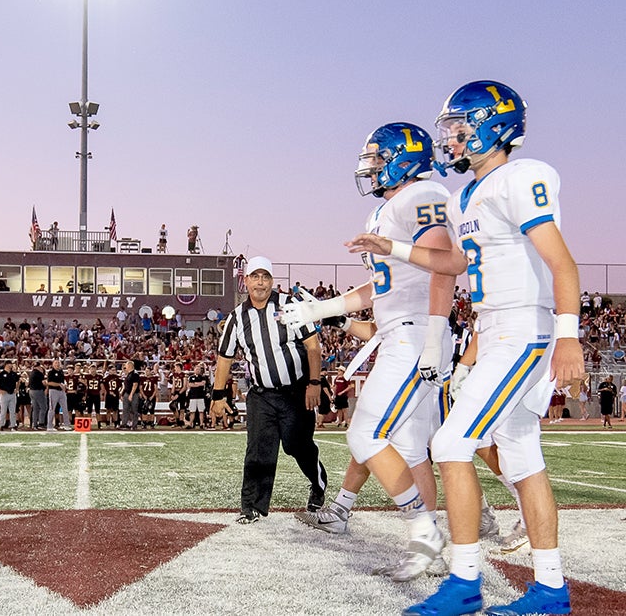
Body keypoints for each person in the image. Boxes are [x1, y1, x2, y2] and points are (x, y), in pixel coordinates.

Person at [348, 81, 580, 615]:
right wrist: (395, 248)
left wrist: (569, 335)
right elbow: (456, 265)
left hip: (523, 328)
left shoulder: (520, 178)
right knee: (522, 457)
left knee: (452, 443)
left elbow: (562, 263)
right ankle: (550, 589)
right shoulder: (468, 195)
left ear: (492, 127)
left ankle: (464, 580)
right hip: (495, 327)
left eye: (459, 128)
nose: (449, 139)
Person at [281, 122, 453, 581]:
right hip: (405, 329)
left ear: (402, 157)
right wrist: (323, 307)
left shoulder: (422, 195)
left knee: (365, 436)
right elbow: (381, 286)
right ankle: (428, 544)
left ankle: (425, 532)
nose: (370, 167)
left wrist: (435, 337)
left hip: (415, 333)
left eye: (378, 158)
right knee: (412, 448)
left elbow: (443, 267)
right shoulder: (390, 209)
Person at [214, 256, 327, 524]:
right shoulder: (236, 318)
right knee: (257, 450)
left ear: (272, 281)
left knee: (296, 446)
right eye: (255, 276)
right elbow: (224, 358)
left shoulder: (290, 305)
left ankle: (318, 482)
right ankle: (250, 506)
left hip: (295, 391)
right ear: (246, 281)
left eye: (265, 276)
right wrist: (218, 395)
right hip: (262, 394)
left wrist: (314, 384)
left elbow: (313, 346)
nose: (260, 282)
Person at [45, 359, 70, 431]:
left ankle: (66, 424)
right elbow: (49, 382)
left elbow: (63, 381)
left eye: (58, 363)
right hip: (53, 391)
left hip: (61, 392)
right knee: (52, 409)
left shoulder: (61, 372)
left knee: (65, 408)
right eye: (55, 363)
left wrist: (64, 385)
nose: (57, 364)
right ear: (53, 364)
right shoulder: (51, 372)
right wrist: (58, 384)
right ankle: (49, 426)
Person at [0, 361, 20, 430]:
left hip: (12, 394)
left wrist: (17, 389)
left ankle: (13, 425)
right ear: (6, 365)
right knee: (3, 411)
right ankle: (1, 425)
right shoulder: (1, 374)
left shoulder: (13, 374)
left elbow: (18, 381)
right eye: (9, 364)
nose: (11, 366)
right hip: (4, 394)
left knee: (12, 411)